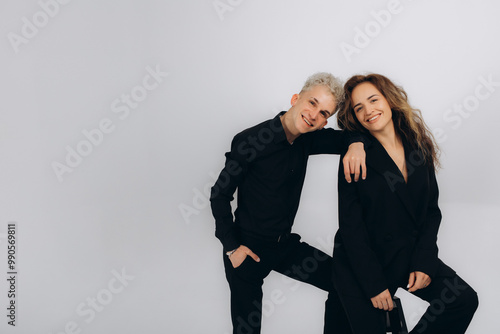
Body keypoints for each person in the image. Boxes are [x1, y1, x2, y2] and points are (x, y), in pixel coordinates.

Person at [210, 72, 366, 334]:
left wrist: (357, 144)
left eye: (324, 113)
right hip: (247, 250)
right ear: (296, 98)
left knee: (344, 284)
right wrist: (232, 247)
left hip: (285, 246)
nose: (315, 115)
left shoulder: (309, 138)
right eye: (312, 103)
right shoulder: (251, 140)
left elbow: (347, 138)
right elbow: (219, 195)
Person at [333, 73, 479, 333]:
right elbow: (351, 228)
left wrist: (424, 260)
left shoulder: (418, 146)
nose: (368, 111)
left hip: (406, 254)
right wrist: (374, 284)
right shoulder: (355, 155)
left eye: (373, 100)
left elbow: (431, 212)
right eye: (359, 108)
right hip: (362, 265)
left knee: (462, 299)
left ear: (389, 100)